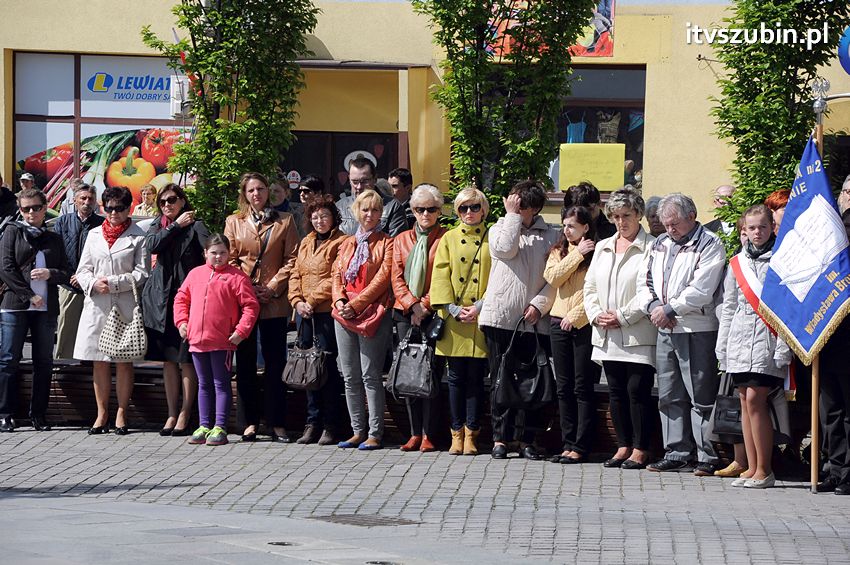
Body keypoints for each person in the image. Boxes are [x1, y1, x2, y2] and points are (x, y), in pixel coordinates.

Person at [643, 193, 726, 474]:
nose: (670, 230)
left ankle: (707, 455)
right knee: (669, 393)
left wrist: (670, 309)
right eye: (666, 224)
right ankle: (676, 452)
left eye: (674, 224)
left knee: (700, 395)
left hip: (696, 328)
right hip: (665, 327)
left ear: (692, 216)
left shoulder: (710, 244)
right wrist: (654, 307)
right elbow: (646, 281)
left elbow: (702, 289)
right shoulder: (659, 243)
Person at [479, 180, 559, 460]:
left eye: (521, 205)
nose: (514, 206)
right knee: (501, 379)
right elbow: (505, 249)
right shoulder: (499, 228)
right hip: (500, 317)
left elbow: (556, 278)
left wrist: (539, 304)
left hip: (534, 321)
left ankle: (527, 440)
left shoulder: (552, 235)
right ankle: (500, 438)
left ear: (535, 208)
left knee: (531, 381)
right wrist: (512, 217)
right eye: (513, 202)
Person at [717, 205, 791, 489]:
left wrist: (783, 347)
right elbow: (728, 307)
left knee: (755, 400)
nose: (757, 232)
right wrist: (723, 346)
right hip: (739, 338)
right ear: (744, 230)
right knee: (744, 401)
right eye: (751, 228)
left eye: (762, 226)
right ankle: (750, 466)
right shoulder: (738, 262)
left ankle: (764, 469)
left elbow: (785, 307)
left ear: (772, 227)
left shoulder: (781, 260)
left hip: (766, 339)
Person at [584, 187, 657, 469]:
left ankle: (641, 447)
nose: (620, 221)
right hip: (607, 333)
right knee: (615, 390)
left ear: (638, 214)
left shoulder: (652, 247)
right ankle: (623, 445)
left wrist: (623, 316)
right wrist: (596, 314)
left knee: (637, 390)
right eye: (615, 216)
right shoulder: (603, 246)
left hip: (638, 331)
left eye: (626, 215)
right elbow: (590, 286)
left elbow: (650, 289)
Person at [224, 172, 299, 443]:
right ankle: (249, 422)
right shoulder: (234, 221)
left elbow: (292, 258)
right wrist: (248, 288)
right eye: (251, 190)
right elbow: (230, 259)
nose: (256, 194)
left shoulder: (285, 221)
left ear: (269, 192)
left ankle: (277, 422)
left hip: (274, 301)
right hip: (244, 301)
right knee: (245, 363)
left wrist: (273, 286)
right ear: (245, 194)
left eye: (261, 189)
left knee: (275, 362)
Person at [74, 186, 150, 435]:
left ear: (128, 208)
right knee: (99, 360)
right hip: (97, 303)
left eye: (119, 208)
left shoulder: (138, 236)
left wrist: (115, 283)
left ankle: (121, 413)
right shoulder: (94, 234)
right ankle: (101, 413)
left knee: (123, 360)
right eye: (109, 208)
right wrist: (92, 283)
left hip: (123, 303)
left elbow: (142, 272)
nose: (113, 213)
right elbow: (83, 269)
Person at [174, 234, 260, 447]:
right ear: (205, 253)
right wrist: (182, 322)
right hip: (197, 340)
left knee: (221, 383)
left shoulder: (237, 277)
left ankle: (220, 426)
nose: (218, 257)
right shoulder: (195, 274)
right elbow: (181, 299)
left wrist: (241, 331)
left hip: (223, 341)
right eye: (213, 253)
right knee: (203, 384)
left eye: (222, 253)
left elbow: (250, 306)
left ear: (229, 254)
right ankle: (204, 425)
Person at [0, 189, 71, 432]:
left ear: (45, 208)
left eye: (36, 208)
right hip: (15, 305)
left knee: (44, 361)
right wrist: (29, 295)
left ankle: (38, 414)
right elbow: (5, 268)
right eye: (26, 209)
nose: (31, 212)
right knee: (9, 359)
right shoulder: (12, 231)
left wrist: (51, 273)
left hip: (46, 309)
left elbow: (66, 272)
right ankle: (5, 414)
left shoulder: (54, 238)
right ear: (20, 210)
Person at [142, 183, 209, 436]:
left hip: (188, 300)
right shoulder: (158, 226)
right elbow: (152, 246)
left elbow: (209, 256)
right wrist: (174, 226)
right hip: (160, 301)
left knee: (185, 359)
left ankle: (185, 413)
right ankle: (171, 413)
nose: (167, 205)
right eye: (162, 202)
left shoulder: (196, 226)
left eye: (171, 200)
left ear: (182, 201)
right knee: (168, 360)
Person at [430, 188, 491, 456]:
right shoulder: (449, 238)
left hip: (481, 316)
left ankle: (472, 434)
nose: (469, 212)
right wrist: (453, 309)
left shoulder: (493, 236)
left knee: (476, 378)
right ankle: (456, 433)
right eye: (463, 208)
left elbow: (499, 276)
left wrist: (479, 306)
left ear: (484, 210)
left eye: (474, 207)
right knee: (454, 378)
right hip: (454, 317)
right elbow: (440, 274)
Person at [332, 189, 394, 450]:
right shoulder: (347, 243)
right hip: (344, 314)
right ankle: (357, 431)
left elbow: (383, 279)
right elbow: (336, 274)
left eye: (375, 209)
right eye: (365, 209)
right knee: (350, 376)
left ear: (381, 213)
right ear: (356, 212)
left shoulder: (387, 242)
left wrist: (356, 304)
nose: (370, 214)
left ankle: (375, 433)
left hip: (372, 313)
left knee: (370, 375)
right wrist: (339, 301)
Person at [390, 184, 447, 452]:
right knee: (409, 371)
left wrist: (423, 306)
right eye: (420, 209)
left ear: (439, 211)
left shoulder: (445, 238)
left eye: (431, 209)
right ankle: (413, 432)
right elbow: (396, 276)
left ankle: (429, 434)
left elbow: (443, 278)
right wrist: (412, 305)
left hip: (432, 313)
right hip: (404, 313)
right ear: (412, 210)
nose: (425, 214)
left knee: (431, 372)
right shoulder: (401, 239)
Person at [288, 194, 346, 445]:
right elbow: (295, 273)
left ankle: (331, 425)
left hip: (325, 313)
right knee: (307, 368)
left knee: (326, 368)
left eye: (324, 216)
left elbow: (335, 276)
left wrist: (311, 301)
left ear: (333, 217)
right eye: (315, 217)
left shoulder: (342, 241)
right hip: (304, 314)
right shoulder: (306, 241)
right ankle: (312, 423)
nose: (319, 221)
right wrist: (296, 300)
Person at [544, 206, 599, 464]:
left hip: (582, 324)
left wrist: (575, 317)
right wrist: (577, 253)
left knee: (582, 386)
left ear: (585, 227)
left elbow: (596, 292)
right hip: (557, 322)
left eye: (572, 226)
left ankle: (582, 444)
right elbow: (553, 278)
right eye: (564, 225)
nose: (566, 230)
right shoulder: (559, 251)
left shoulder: (597, 253)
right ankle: (567, 443)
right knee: (563, 387)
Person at [818, 200, 850, 495]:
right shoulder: (827, 253)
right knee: (830, 412)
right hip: (828, 341)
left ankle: (848, 473)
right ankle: (835, 468)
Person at [53, 182, 104, 360]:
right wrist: (70, 277)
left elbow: (103, 256)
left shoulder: (102, 224)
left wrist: (86, 278)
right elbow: (57, 253)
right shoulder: (63, 222)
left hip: (93, 286)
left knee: (93, 330)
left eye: (90, 199)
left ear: (95, 202)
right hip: (69, 286)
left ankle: (90, 366)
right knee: (66, 329)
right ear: (74, 200)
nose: (87, 202)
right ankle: (63, 366)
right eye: (83, 198)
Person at [336, 158, 407, 237]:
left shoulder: (392, 207)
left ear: (375, 179)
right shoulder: (340, 207)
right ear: (349, 179)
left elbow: (397, 241)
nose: (359, 187)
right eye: (355, 182)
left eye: (364, 181)